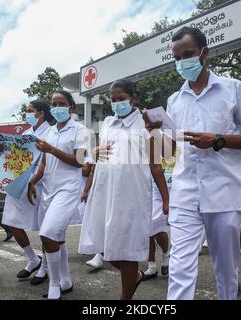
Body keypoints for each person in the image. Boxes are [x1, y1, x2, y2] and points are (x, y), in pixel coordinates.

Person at [144, 26, 241, 300]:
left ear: (204, 53)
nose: (182, 62)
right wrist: (154, 130)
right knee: (179, 265)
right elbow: (169, 149)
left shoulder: (233, 89)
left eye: (188, 54)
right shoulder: (175, 100)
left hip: (225, 191)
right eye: (176, 58)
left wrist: (218, 140)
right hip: (186, 191)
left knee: (225, 267)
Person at [78, 79, 169, 300]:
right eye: (113, 99)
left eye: (122, 99)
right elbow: (96, 157)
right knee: (107, 249)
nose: (117, 103)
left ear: (134, 98)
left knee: (125, 250)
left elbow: (157, 163)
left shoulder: (148, 124)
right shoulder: (108, 122)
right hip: (104, 193)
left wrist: (166, 199)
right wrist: (95, 153)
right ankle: (135, 276)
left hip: (132, 196)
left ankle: (125, 298)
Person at [28, 90, 89, 299]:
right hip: (49, 190)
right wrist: (33, 182)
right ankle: (66, 280)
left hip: (68, 189)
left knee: (48, 233)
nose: (56, 107)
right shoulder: (50, 131)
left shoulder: (81, 131)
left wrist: (53, 150)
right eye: (53, 104)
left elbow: (80, 161)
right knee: (57, 238)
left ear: (71, 106)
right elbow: (44, 161)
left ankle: (54, 284)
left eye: (61, 103)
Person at [1, 100, 53, 285]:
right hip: (19, 182)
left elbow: (49, 161)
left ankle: (46, 267)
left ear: (41, 113)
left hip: (41, 184)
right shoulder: (26, 133)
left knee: (45, 228)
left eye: (30, 111)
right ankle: (33, 259)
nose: (27, 114)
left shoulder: (51, 132)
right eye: (26, 111)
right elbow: (16, 159)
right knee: (12, 221)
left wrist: (34, 178)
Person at [143, 157, 173, 280]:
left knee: (156, 226)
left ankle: (166, 255)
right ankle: (152, 265)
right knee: (147, 226)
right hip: (147, 183)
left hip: (169, 182)